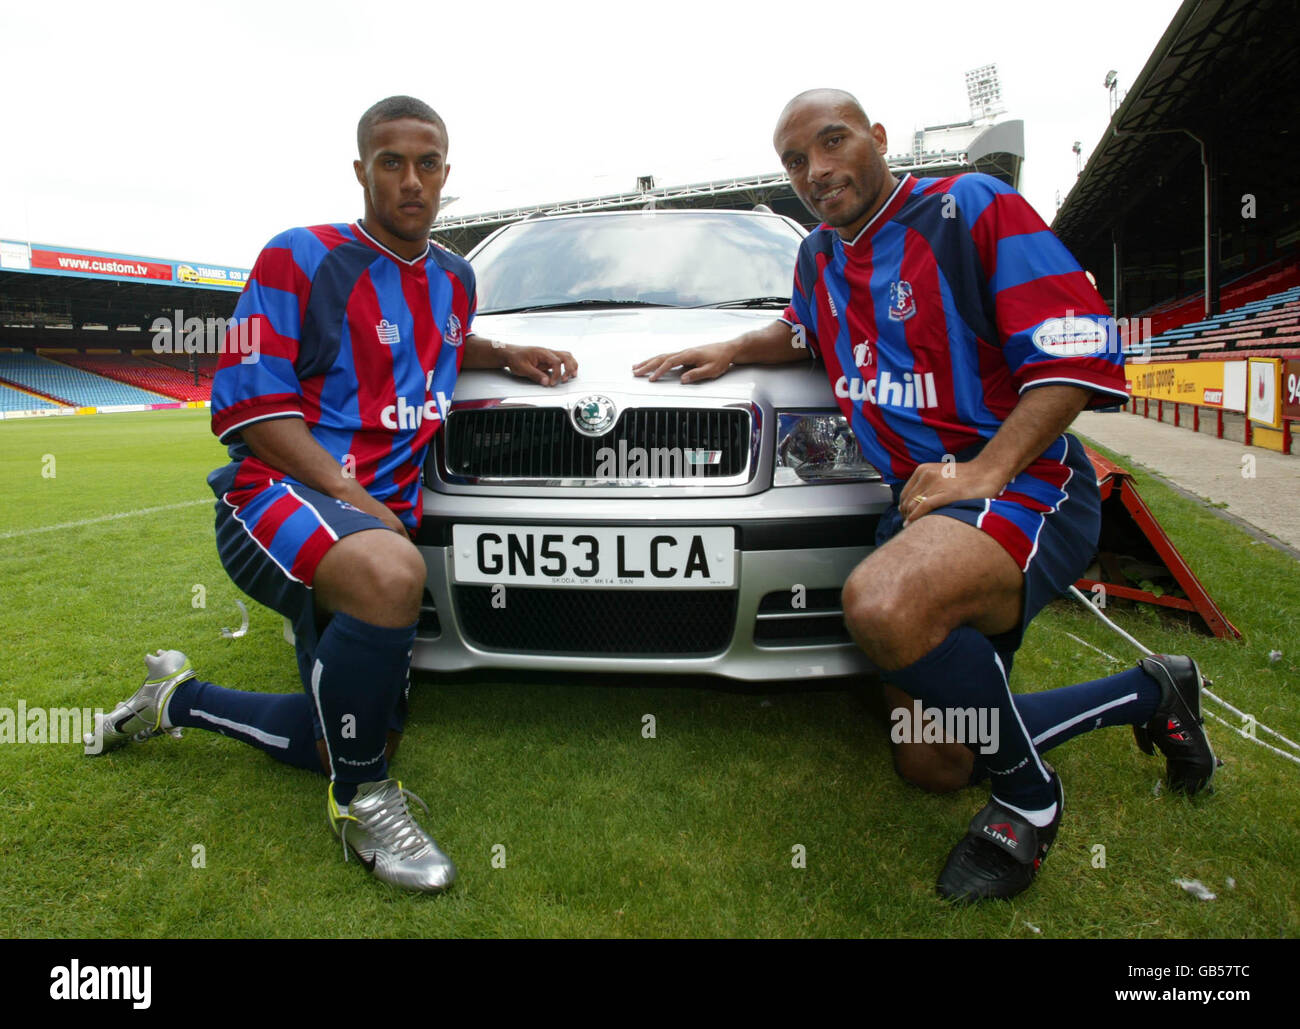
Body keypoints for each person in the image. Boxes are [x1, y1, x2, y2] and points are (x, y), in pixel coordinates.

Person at [633, 88, 1215, 902]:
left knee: (881, 601)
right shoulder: (819, 258)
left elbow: (1077, 350)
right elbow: (804, 329)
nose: (817, 171)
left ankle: (1029, 803)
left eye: (833, 143)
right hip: (919, 504)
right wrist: (734, 346)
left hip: (1024, 484)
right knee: (934, 758)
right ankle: (1152, 691)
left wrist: (986, 470)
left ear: (877, 136)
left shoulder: (970, 206)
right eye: (796, 162)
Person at [87, 96, 577, 894]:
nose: (411, 180)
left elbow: (435, 338)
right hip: (272, 498)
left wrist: (504, 350)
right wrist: (357, 496)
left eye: (427, 164)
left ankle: (176, 698)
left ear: (447, 174)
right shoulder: (298, 256)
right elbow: (251, 408)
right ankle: (364, 805)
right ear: (362, 171)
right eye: (392, 162)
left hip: (368, 529)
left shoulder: (457, 279)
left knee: (343, 736)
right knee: (389, 572)